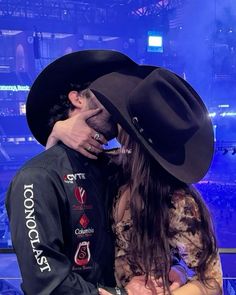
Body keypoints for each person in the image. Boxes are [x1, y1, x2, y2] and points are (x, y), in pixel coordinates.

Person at [5, 50, 187, 295]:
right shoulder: (36, 177)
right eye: (109, 93)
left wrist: (176, 268)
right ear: (77, 99)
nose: (119, 103)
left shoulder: (115, 169)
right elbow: (45, 282)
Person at [48, 66, 223, 295]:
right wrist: (57, 132)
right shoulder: (112, 168)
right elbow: (50, 176)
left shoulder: (178, 201)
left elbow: (212, 281)